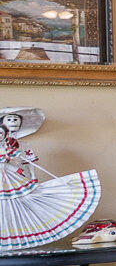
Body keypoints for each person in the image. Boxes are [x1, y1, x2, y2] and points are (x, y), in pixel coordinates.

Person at [0, 106, 101, 251]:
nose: (13, 121)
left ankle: (23, 237)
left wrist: (32, 178)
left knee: (23, 206)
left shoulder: (21, 145)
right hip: (8, 178)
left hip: (18, 179)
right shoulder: (6, 146)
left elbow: (28, 164)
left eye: (15, 119)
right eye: (9, 119)